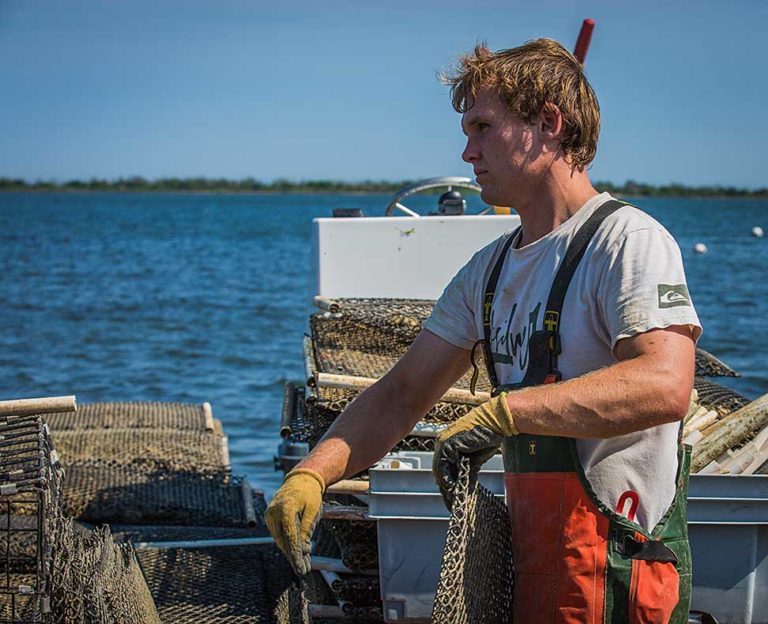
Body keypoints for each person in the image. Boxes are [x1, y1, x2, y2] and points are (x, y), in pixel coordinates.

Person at [266, 38, 700, 623]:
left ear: (548, 124)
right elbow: (399, 395)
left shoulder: (627, 243)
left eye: (482, 128)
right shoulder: (489, 272)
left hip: (621, 575)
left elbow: (664, 385)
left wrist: (507, 412)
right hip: (535, 568)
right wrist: (312, 474)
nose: (466, 152)